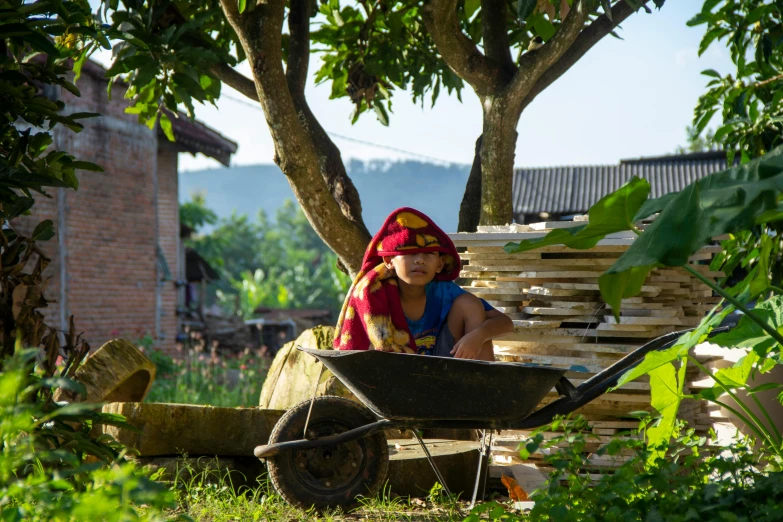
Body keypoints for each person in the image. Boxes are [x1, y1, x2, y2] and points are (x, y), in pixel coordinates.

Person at [333, 207, 513, 360]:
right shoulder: (375, 295)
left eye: (429, 254)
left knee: (470, 305)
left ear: (440, 264)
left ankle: (483, 387)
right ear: (389, 260)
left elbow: (505, 322)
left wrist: (478, 336)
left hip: (447, 365)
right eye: (410, 253)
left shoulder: (443, 291)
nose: (420, 260)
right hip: (396, 370)